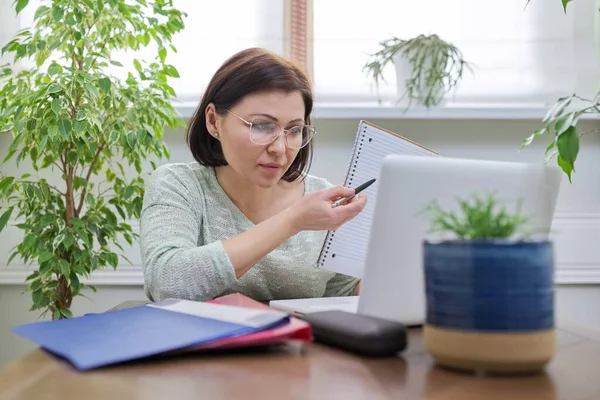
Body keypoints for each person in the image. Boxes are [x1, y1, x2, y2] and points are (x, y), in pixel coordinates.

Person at [139, 47, 367, 303]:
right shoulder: (180, 186)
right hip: (207, 343)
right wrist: (293, 220)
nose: (280, 148)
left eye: (293, 130)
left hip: (299, 343)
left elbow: (340, 293)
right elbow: (166, 283)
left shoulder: (323, 201)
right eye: (261, 126)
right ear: (214, 121)